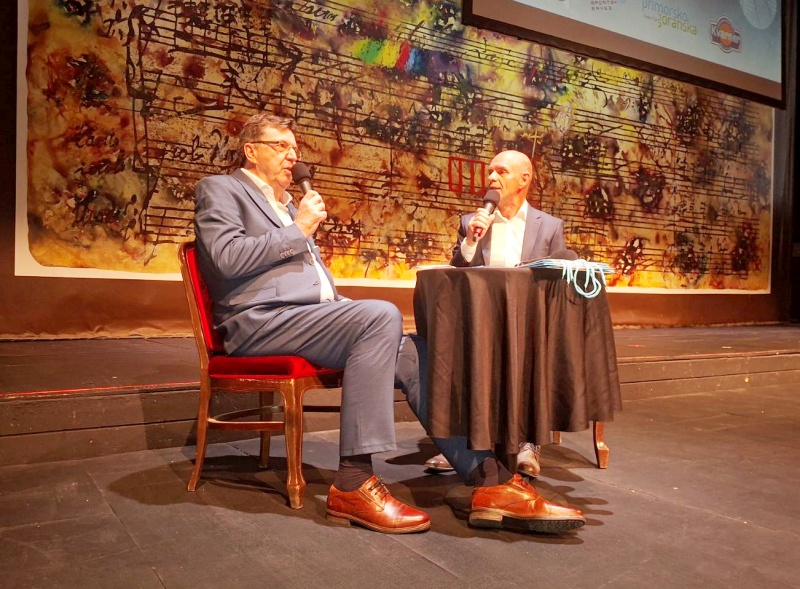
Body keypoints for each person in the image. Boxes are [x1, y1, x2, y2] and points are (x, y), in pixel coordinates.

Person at [193, 113, 430, 534]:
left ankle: (485, 474)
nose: (293, 156)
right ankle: (354, 483)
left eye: (295, 148)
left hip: (305, 319)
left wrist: (339, 304)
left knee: (415, 349)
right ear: (251, 151)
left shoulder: (287, 204)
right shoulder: (222, 189)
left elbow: (312, 280)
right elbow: (226, 259)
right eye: (281, 146)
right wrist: (299, 228)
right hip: (260, 322)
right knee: (380, 315)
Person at [424, 149, 567, 479]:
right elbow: (458, 271)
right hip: (480, 320)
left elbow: (557, 280)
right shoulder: (471, 222)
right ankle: (461, 445)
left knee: (533, 356)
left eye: (501, 172)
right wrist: (472, 240)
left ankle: (529, 443)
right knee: (460, 353)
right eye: (490, 171)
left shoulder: (549, 227)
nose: (491, 177)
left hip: (530, 322)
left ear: (523, 180)